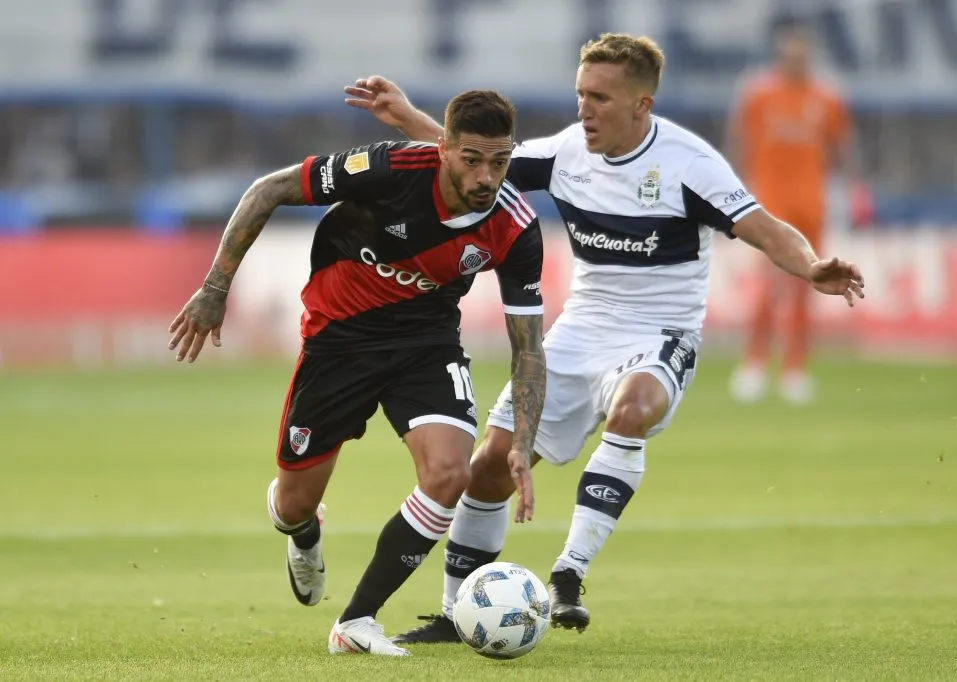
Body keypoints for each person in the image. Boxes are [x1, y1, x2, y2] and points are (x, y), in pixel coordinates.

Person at [343, 32, 865, 641]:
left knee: (633, 409)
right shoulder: (568, 153)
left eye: (600, 98)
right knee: (487, 466)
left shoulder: (688, 164)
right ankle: (459, 615)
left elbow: (767, 228)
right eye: (580, 95)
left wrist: (811, 265)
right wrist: (406, 115)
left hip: (660, 329)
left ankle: (569, 569)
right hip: (583, 328)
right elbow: (470, 160)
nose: (585, 110)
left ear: (642, 105)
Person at [167, 90, 547, 656]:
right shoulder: (390, 168)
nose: (487, 175)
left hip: (426, 343)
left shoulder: (514, 226)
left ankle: (356, 621)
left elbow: (529, 348)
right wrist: (215, 288)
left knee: (448, 475)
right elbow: (267, 189)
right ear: (442, 149)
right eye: (472, 159)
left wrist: (523, 436)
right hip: (338, 342)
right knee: (294, 504)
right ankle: (303, 532)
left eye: (499, 160)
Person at [726, 17, 866, 404]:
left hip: (812, 205)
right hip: (770, 207)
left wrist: (856, 190)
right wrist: (732, 192)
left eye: (803, 50)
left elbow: (843, 145)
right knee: (768, 288)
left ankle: (794, 368)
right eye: (791, 50)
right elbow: (740, 140)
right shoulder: (758, 94)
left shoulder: (827, 97)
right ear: (781, 53)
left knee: (810, 285)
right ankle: (754, 364)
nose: (797, 57)